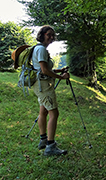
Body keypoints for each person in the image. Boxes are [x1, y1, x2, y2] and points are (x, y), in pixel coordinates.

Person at [32, 25, 70, 156]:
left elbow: (42, 69)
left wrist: (58, 70)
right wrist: (61, 76)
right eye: (49, 34)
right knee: (54, 113)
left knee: (43, 111)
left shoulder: (38, 48)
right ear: (42, 34)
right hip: (44, 85)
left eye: (53, 35)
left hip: (39, 84)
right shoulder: (41, 49)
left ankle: (43, 140)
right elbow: (44, 70)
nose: (51, 37)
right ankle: (50, 146)